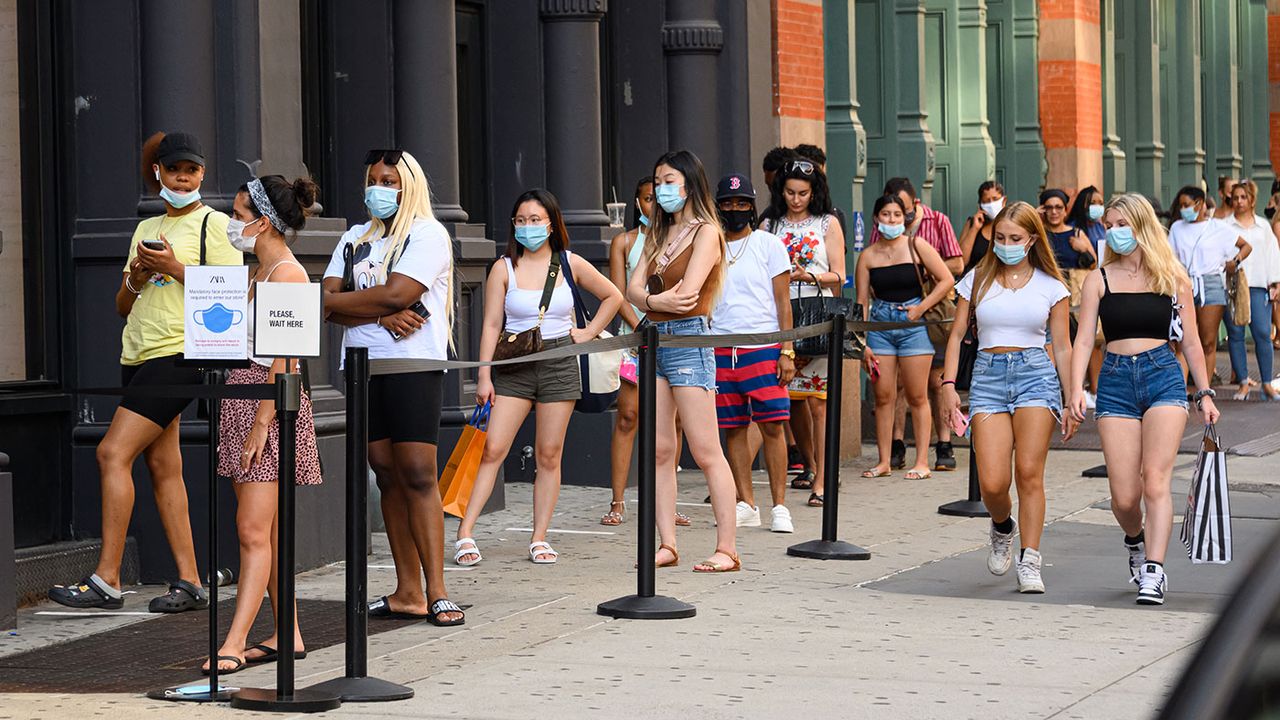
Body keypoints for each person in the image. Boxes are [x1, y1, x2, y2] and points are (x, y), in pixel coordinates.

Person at [50, 132, 241, 612]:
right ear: (157, 171)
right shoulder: (146, 228)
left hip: (181, 352)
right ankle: (191, 580)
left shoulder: (214, 225)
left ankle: (107, 579)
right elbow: (121, 305)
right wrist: (137, 277)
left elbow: (231, 292)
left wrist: (176, 267)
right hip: (137, 351)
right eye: (174, 168)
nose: (183, 177)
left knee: (112, 453)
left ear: (202, 174)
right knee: (164, 466)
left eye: (192, 169)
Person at [322, 149, 463, 626]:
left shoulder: (427, 233)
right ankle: (407, 592)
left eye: (389, 180)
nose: (379, 188)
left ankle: (438, 591)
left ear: (409, 185)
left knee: (418, 472)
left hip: (413, 364)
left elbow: (402, 292)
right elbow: (325, 303)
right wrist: (380, 312)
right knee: (384, 471)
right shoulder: (352, 237)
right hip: (361, 366)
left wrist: (361, 303)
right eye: (373, 179)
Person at [1068, 193, 1221, 606]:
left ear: (1141, 227)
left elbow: (1190, 342)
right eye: (1111, 225)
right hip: (1115, 382)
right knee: (1124, 497)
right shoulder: (1098, 279)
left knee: (1155, 478)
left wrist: (1204, 393)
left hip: (1163, 378)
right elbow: (1083, 340)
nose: (1114, 232)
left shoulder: (1173, 277)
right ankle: (1134, 540)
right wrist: (1074, 391)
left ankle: (1153, 570)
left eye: (1122, 225)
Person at [460, 189, 622, 565]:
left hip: (559, 363)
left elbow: (613, 296)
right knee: (494, 449)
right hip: (514, 366)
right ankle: (465, 532)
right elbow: (490, 324)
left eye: (535, 220)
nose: (528, 227)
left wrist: (588, 332)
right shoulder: (504, 267)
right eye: (520, 220)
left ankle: (539, 537)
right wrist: (484, 376)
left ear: (551, 223)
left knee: (549, 454)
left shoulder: (568, 262)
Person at [203, 175, 323, 674]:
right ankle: (287, 631)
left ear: (263, 220)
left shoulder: (288, 277)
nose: (232, 223)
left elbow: (286, 359)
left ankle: (233, 641)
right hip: (242, 396)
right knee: (262, 531)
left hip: (268, 404)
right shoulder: (257, 273)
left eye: (237, 214)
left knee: (252, 530)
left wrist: (260, 424)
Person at [940, 201, 1075, 594]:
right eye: (1000, 238)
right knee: (993, 484)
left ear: (1032, 240)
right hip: (988, 377)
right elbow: (956, 335)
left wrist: (1071, 399)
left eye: (1015, 238)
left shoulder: (1052, 286)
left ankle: (1030, 559)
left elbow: (1062, 346)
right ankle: (1003, 526)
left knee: (1029, 473)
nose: (1006, 245)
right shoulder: (977, 279)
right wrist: (949, 387)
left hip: (1036, 375)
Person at [626, 149, 740, 572]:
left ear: (689, 183)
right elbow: (632, 288)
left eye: (669, 180)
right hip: (654, 340)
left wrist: (650, 300)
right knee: (659, 450)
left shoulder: (706, 232)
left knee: (706, 448)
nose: (661, 189)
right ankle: (668, 543)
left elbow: (688, 296)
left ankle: (727, 547)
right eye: (657, 182)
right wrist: (655, 300)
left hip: (689, 340)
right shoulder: (656, 233)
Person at [710, 173, 797, 531]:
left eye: (742, 203)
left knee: (773, 425)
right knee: (732, 429)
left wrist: (787, 349)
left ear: (752, 205)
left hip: (762, 347)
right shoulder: (710, 245)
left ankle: (780, 506)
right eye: (728, 203)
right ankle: (746, 501)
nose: (735, 209)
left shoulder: (768, 244)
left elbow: (783, 301)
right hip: (718, 347)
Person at [601, 178, 689, 527]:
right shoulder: (624, 242)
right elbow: (617, 292)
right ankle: (618, 501)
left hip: (673, 338)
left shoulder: (683, 238)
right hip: (634, 339)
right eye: (649, 198)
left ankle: (669, 501)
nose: (655, 204)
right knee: (628, 417)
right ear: (638, 203)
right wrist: (639, 326)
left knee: (675, 422)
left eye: (659, 197)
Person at [759, 159, 846, 507]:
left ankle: (824, 479)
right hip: (778, 315)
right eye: (790, 192)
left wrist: (807, 276)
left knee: (818, 405)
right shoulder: (770, 223)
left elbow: (840, 274)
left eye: (803, 193)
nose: (796, 200)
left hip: (815, 312)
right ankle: (808, 466)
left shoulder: (828, 223)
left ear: (814, 193)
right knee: (781, 402)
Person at [857, 193, 955, 480]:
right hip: (880, 326)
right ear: (876, 218)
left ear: (905, 218)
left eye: (897, 215)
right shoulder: (868, 256)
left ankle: (922, 461)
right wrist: (862, 343)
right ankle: (884, 461)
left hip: (913, 325)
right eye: (886, 215)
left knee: (917, 395)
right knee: (883, 396)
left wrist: (921, 308)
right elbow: (862, 302)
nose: (891, 220)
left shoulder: (916, 245)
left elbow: (946, 279)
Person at [1168, 185, 1251, 384]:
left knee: (1207, 341)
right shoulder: (1177, 228)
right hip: (1184, 283)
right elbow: (1170, 257)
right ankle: (1180, 389)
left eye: (1186, 205)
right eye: (1180, 205)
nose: (1183, 209)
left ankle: (1203, 388)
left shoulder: (1218, 227)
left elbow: (1246, 246)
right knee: (1182, 340)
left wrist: (1235, 261)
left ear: (1199, 204)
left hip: (1211, 283)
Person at [1224, 180, 1280, 400]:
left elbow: (1273, 255)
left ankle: (1266, 384)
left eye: (1243, 197)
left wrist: (1275, 283)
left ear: (1252, 200)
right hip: (1234, 287)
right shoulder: (1225, 226)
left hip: (1258, 285)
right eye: (1235, 197)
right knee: (1236, 334)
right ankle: (1244, 384)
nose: (1239, 201)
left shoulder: (1263, 226)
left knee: (1263, 334)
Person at [1067, 186, 1109, 404]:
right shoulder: (1075, 230)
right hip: (1082, 287)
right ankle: (1092, 387)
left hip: (1103, 284)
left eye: (1100, 202)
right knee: (1088, 338)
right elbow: (1092, 262)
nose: (1097, 207)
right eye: (1093, 202)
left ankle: (1096, 387)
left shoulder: (1102, 228)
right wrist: (1085, 248)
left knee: (1098, 340)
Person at [1040, 188, 1097, 307]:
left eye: (1058, 207)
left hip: (1074, 297)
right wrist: (1035, 217)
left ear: (1065, 210)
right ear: (1043, 210)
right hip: (1046, 295)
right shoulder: (1040, 235)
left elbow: (1094, 265)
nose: (1054, 212)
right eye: (1049, 208)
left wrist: (1083, 250)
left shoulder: (1076, 233)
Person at [958, 180, 1006, 272]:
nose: (991, 204)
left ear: (1004, 201)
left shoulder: (1011, 224)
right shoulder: (972, 223)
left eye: (995, 199)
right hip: (973, 280)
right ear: (980, 205)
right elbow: (961, 262)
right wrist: (974, 229)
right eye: (987, 201)